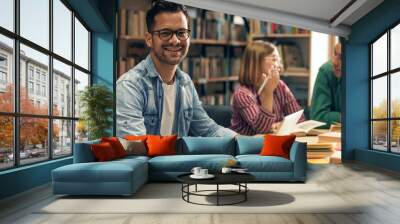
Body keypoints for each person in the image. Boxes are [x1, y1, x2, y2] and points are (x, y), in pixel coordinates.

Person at [116, 0, 236, 137]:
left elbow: (208, 130)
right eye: (166, 33)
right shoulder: (130, 86)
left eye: (181, 32)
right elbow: (135, 144)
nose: (175, 40)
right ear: (149, 39)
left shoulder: (185, 82)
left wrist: (245, 140)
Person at [231, 41, 304, 135]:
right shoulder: (242, 94)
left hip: (275, 143)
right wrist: (268, 92)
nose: (279, 65)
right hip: (249, 146)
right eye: (274, 59)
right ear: (256, 63)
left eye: (279, 60)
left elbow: (300, 119)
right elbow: (263, 129)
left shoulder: (280, 86)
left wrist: (277, 125)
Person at [310, 43, 341, 127]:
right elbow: (318, 118)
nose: (334, 62)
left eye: (342, 57)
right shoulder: (326, 71)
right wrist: (348, 117)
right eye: (335, 53)